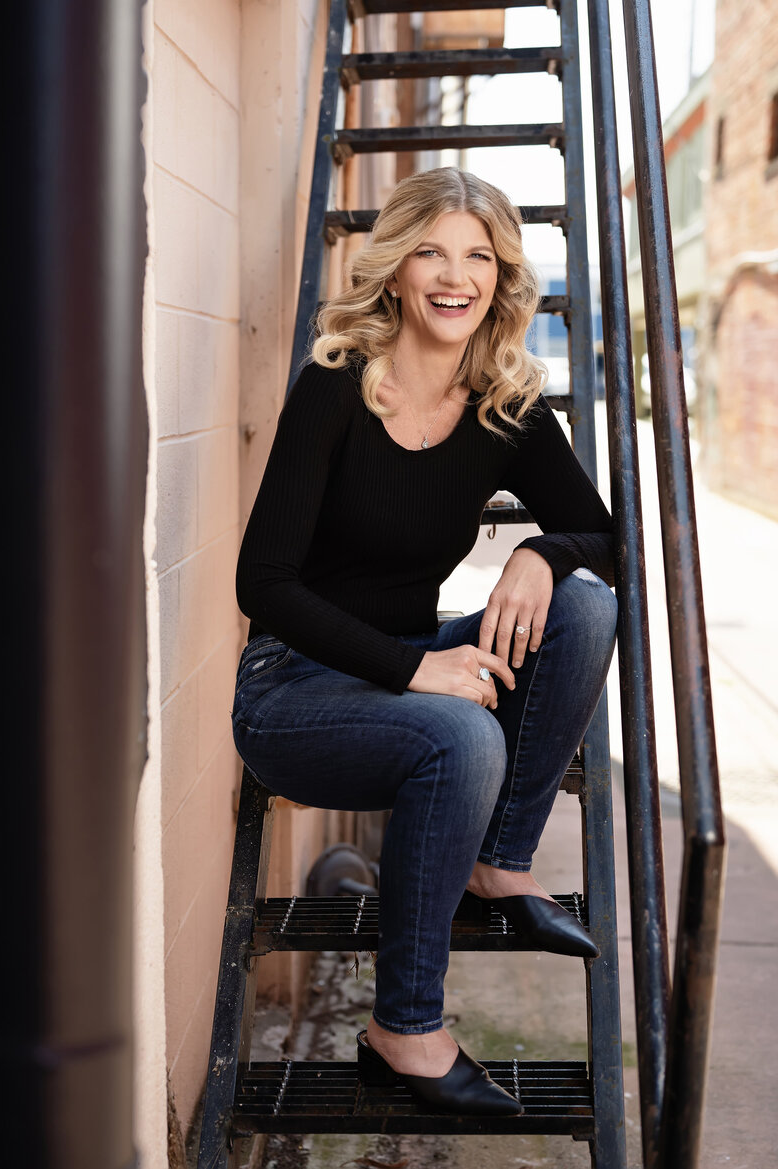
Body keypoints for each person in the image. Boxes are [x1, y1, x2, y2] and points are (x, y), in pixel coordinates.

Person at [232, 167, 617, 1117]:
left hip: (407, 667)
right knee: (462, 734)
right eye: (433, 252)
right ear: (397, 270)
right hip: (293, 689)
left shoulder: (505, 403)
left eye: (480, 255)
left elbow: (610, 538)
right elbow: (263, 583)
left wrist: (538, 549)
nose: (457, 276)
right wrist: (418, 668)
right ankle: (403, 1028)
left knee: (584, 606)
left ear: (501, 277)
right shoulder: (334, 387)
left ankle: (502, 860)